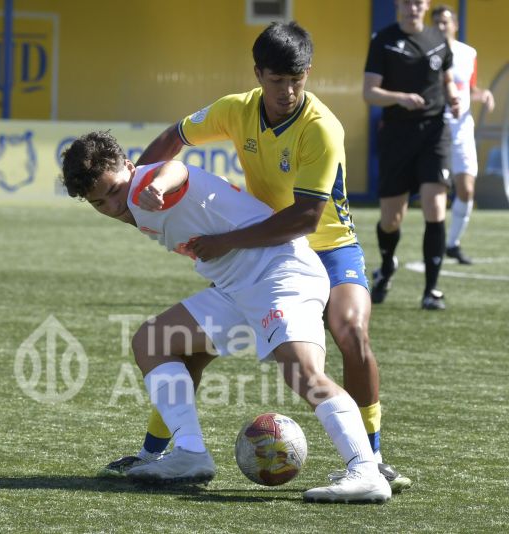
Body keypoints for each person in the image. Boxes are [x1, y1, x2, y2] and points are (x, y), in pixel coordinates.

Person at [101, 21, 412, 494]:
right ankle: (160, 452)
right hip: (263, 247)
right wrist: (142, 188)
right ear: (258, 74)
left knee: (350, 331)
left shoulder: (322, 127)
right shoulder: (236, 109)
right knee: (186, 347)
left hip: (323, 245)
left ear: (308, 73)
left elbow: (305, 218)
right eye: (277, 80)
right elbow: (175, 136)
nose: (287, 91)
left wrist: (228, 241)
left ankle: (372, 459)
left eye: (297, 80)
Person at [62, 131, 392, 503]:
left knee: (302, 371)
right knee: (152, 341)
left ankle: (366, 470)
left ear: (129, 166)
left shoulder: (148, 183)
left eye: (115, 190)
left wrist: (156, 185)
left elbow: (177, 170)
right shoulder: (127, 201)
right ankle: (190, 453)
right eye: (99, 203)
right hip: (236, 288)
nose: (113, 205)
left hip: (280, 273)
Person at [363, 0, 460, 310]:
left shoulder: (438, 39)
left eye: (418, 2)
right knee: (391, 220)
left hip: (434, 132)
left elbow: (447, 79)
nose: (412, 7)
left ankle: (431, 290)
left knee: (435, 206)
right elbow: (369, 92)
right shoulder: (383, 40)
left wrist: (454, 98)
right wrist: (400, 98)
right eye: (407, 2)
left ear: (426, 5)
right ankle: (387, 265)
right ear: (398, 5)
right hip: (397, 135)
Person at [431, 4, 495, 265]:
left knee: (466, 189)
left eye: (445, 22)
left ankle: (453, 244)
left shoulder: (468, 53)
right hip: (435, 128)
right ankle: (433, 243)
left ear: (455, 25)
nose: (441, 26)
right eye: (436, 22)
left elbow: (469, 87)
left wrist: (484, 94)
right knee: (436, 191)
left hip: (462, 129)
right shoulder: (427, 51)